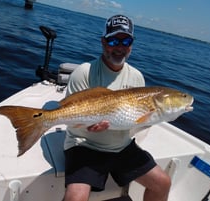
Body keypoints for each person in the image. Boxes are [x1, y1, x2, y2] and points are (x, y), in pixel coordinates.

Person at [63, 14, 171, 201]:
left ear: (131, 45)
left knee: (163, 183)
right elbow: (71, 121)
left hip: (122, 147)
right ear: (103, 42)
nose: (120, 48)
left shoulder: (137, 77)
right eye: (113, 41)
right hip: (85, 145)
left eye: (126, 41)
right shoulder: (84, 73)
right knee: (76, 197)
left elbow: (136, 121)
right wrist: (89, 127)